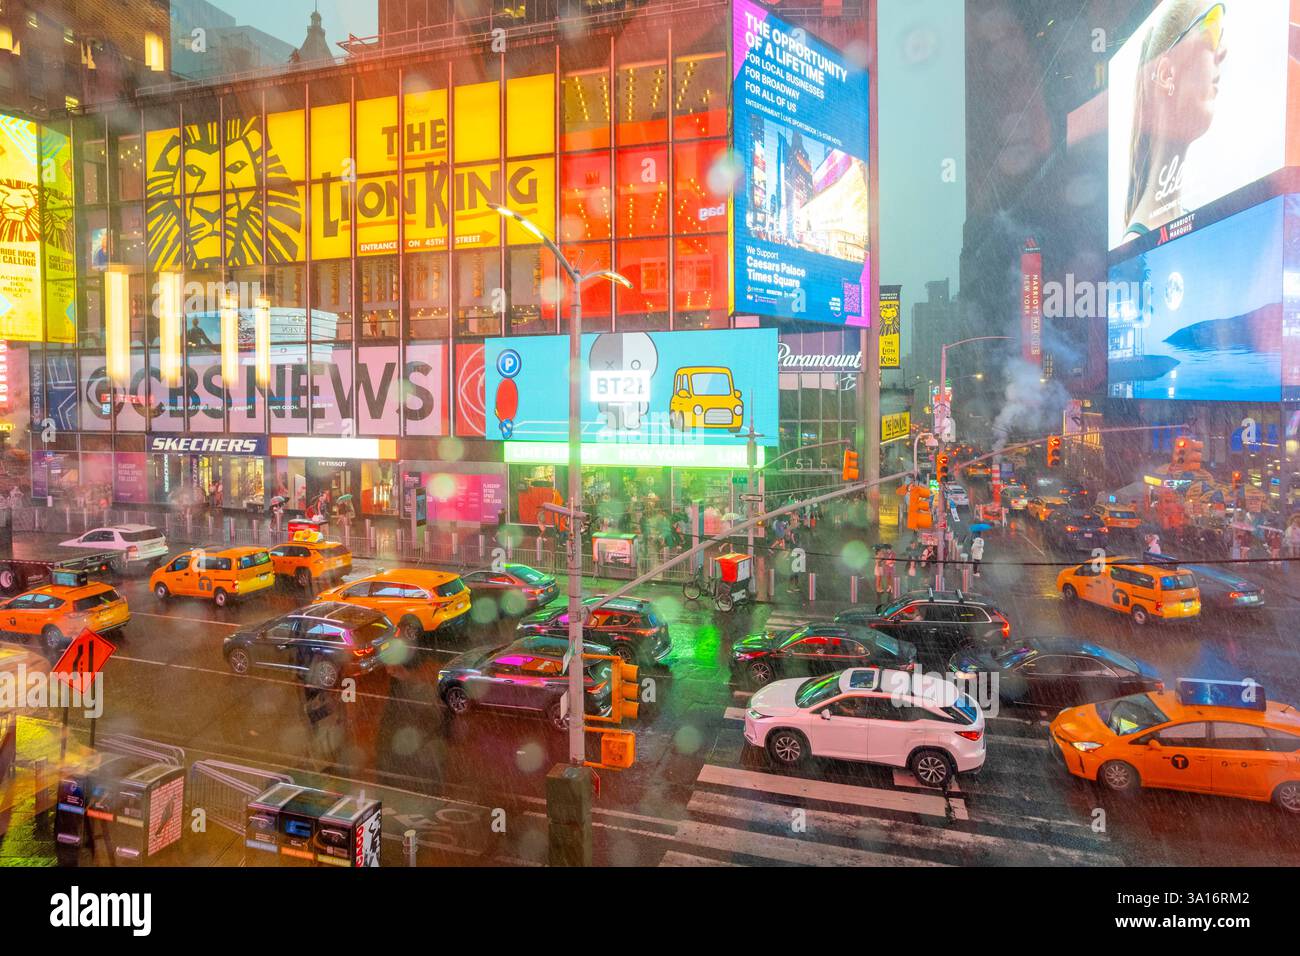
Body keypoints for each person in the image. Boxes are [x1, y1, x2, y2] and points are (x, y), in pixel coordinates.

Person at [1120, 1, 1227, 243]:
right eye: (1211, 26)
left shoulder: (1186, 225)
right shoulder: (1136, 246)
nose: (1222, 50)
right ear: (1167, 75)